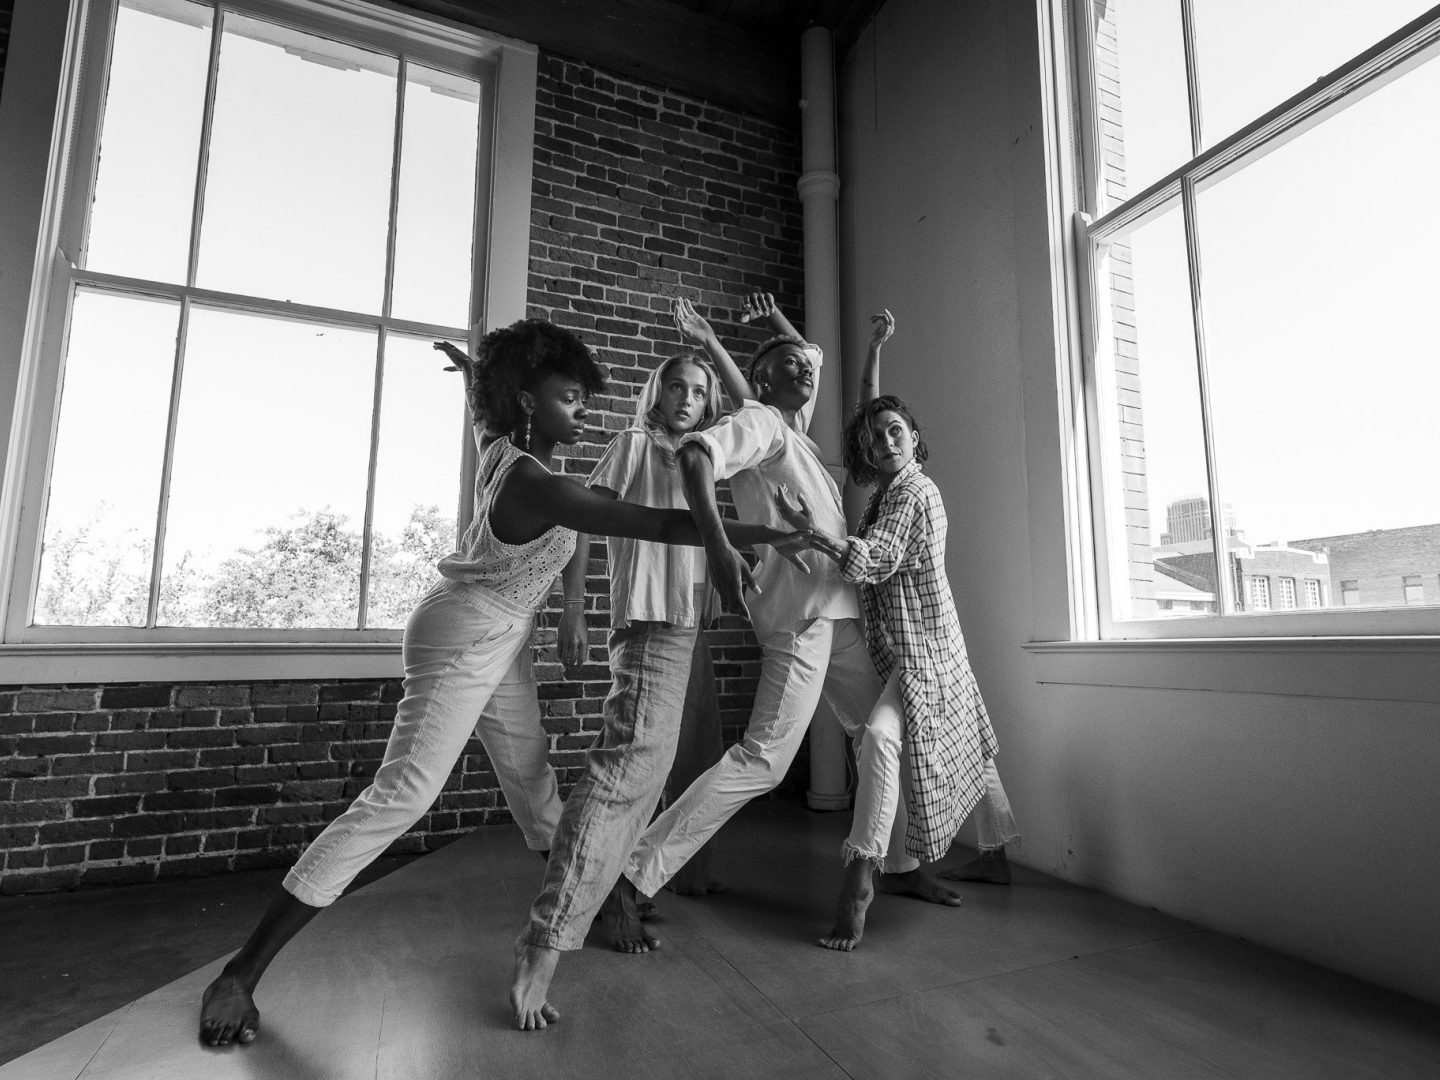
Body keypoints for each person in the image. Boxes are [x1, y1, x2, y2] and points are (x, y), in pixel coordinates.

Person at [197, 318, 799, 1047]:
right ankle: (240, 973)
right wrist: (769, 538)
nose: (582, 412)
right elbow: (652, 523)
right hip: (462, 634)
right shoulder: (533, 482)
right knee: (401, 797)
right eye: (569, 398)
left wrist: (473, 371)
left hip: (501, 635)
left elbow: (484, 417)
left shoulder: (501, 444)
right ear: (525, 403)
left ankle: (590, 900)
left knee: (531, 780)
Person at [608, 295, 961, 958]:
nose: (804, 366)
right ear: (763, 381)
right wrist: (717, 545)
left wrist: (788, 334)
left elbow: (812, 356)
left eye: (807, 362)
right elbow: (694, 457)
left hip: (842, 614)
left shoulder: (801, 443)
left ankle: (901, 865)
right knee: (764, 760)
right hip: (799, 621)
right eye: (787, 364)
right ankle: (629, 878)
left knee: (884, 732)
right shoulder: (762, 422)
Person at [512, 307, 762, 1029]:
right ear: (656, 393)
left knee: (666, 770)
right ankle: (549, 937)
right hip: (649, 623)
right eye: (677, 386)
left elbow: (758, 416)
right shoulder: (633, 444)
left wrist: (713, 344)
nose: (688, 398)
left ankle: (620, 889)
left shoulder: (707, 456)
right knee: (623, 774)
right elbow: (583, 522)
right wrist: (572, 611)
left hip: (690, 625)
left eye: (698, 391)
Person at [775, 308, 1019, 951]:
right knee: (971, 738)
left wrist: (814, 531)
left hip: (924, 653)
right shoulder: (888, 487)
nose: (885, 439)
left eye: (896, 431)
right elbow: (867, 412)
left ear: (915, 437)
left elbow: (874, 558)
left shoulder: (913, 494)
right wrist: (874, 352)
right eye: (877, 436)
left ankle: (862, 876)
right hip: (928, 644)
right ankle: (995, 852)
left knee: (882, 738)